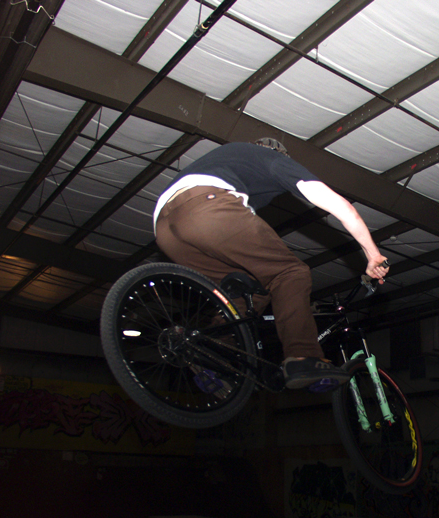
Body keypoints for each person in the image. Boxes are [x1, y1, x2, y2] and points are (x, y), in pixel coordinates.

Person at [153, 138, 389, 391]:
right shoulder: (271, 158)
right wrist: (373, 254)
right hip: (206, 206)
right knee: (290, 272)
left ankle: (212, 355)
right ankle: (303, 357)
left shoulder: (229, 162)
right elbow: (340, 206)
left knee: (249, 289)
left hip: (164, 230)